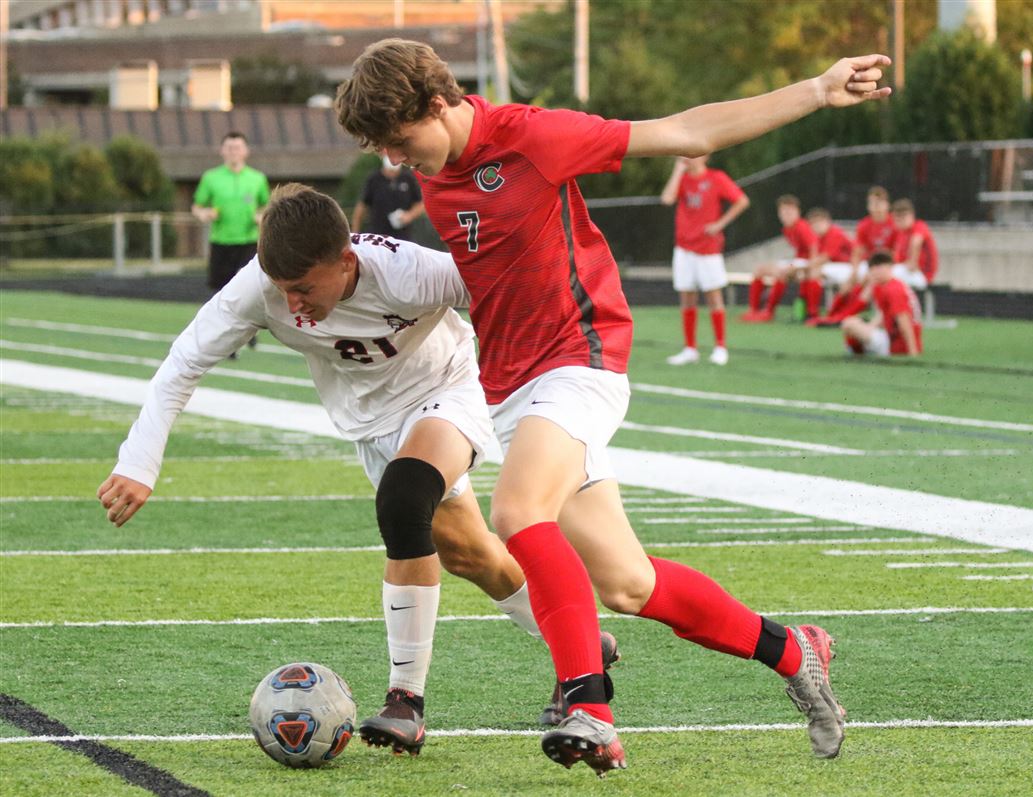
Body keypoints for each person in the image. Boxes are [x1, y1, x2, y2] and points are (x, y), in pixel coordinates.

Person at [336, 38, 889, 774]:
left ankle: (590, 708)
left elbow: (686, 131)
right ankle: (794, 650)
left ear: (438, 105)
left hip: (581, 357)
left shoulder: (532, 136)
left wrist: (816, 90)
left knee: (517, 511)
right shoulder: (436, 171)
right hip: (512, 388)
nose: (397, 160)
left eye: (401, 141)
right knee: (629, 584)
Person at [96, 183, 617, 758]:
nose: (292, 303)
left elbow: (509, 289)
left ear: (346, 261)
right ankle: (581, 647)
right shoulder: (258, 287)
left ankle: (405, 701)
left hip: (448, 389)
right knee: (470, 556)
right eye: (282, 289)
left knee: (404, 501)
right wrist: (139, 461)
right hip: (372, 424)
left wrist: (555, 386)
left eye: (303, 288)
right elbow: (182, 364)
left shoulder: (409, 272)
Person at [659, 155, 749, 366]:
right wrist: (677, 170)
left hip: (708, 249)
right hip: (683, 247)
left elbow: (742, 201)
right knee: (687, 297)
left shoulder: (716, 178)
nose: (688, 158)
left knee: (714, 297)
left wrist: (720, 224)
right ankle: (690, 348)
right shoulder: (682, 179)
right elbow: (667, 199)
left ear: (705, 156)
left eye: (694, 154)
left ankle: (720, 347)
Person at [192, 131, 271, 356]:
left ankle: (250, 331)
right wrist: (204, 214)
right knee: (222, 291)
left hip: (248, 241)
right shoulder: (211, 177)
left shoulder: (257, 178)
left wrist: (261, 216)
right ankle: (227, 341)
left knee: (248, 289)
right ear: (222, 151)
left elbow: (267, 206)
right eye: (229, 147)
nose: (233, 152)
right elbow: (197, 206)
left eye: (237, 147)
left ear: (246, 151)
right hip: (221, 241)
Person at [816, 185, 896, 326]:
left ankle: (844, 317)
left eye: (879, 203)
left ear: (887, 205)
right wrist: (853, 272)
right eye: (872, 203)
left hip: (890, 266)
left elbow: (896, 253)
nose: (875, 207)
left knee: (871, 281)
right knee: (850, 281)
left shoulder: (893, 224)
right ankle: (832, 314)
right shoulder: (864, 225)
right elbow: (857, 251)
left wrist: (876, 269)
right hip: (871, 265)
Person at [741, 195, 823, 323]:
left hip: (807, 263)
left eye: (789, 212)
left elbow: (814, 247)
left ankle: (768, 312)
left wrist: (809, 268)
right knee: (760, 270)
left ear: (797, 211)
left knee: (782, 273)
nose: (786, 215)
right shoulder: (787, 229)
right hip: (798, 261)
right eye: (783, 212)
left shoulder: (801, 226)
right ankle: (754, 310)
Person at [840, 251, 922, 357]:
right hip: (893, 338)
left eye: (879, 267)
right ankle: (862, 351)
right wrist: (870, 327)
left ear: (890, 267)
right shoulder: (884, 286)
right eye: (872, 268)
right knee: (855, 322)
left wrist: (912, 351)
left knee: (849, 324)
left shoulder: (894, 289)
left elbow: (904, 320)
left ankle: (862, 351)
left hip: (898, 344)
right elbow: (884, 314)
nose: (875, 272)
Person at [351, 154, 427, 236]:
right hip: (377, 233)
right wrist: (355, 232)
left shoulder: (408, 178)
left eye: (394, 171)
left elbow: (420, 203)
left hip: (402, 234)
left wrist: (409, 215)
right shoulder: (374, 179)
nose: (392, 174)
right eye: (390, 171)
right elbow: (362, 205)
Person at [889, 198, 938, 291]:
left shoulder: (919, 226)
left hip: (921, 275)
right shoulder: (900, 234)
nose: (900, 221)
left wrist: (912, 262)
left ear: (912, 215)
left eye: (903, 217)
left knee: (886, 275)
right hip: (908, 273)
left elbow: (916, 242)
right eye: (897, 218)